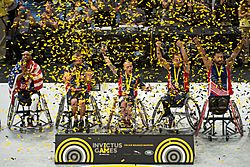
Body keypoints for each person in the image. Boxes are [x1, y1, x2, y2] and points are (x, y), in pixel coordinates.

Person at [102, 47, 150, 128]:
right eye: (127, 67)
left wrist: (147, 88)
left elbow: (142, 86)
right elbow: (110, 66)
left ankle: (128, 121)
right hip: (122, 96)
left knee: (129, 105)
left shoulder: (136, 77)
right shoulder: (120, 75)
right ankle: (123, 121)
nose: (130, 68)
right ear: (124, 68)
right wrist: (104, 54)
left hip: (132, 97)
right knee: (123, 104)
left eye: (131, 66)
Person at [155, 39, 190, 128]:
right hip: (171, 93)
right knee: (164, 99)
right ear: (172, 60)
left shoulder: (185, 68)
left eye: (179, 59)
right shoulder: (170, 67)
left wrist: (182, 47)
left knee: (176, 97)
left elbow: (186, 60)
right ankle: (169, 116)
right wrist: (158, 48)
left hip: (182, 94)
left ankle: (169, 116)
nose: (177, 61)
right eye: (175, 59)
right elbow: (160, 59)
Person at [8, 50, 43, 127]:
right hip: (21, 91)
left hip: (32, 90)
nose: (25, 56)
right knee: (18, 96)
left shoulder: (35, 66)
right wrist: (22, 74)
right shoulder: (18, 66)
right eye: (23, 55)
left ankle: (30, 117)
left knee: (35, 98)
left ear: (30, 56)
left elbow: (39, 77)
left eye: (27, 55)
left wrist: (29, 74)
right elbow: (13, 78)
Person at [63, 51, 93, 130]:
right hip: (73, 90)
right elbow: (65, 79)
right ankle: (75, 119)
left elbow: (90, 80)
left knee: (82, 102)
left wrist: (85, 77)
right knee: (73, 102)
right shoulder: (69, 68)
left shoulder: (86, 67)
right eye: (77, 59)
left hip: (83, 90)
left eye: (80, 59)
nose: (78, 61)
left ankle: (81, 120)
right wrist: (71, 75)